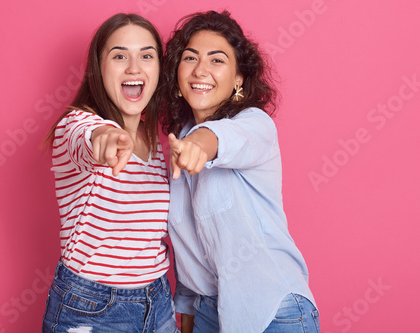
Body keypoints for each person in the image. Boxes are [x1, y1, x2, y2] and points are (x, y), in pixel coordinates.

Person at [161, 10, 319, 333]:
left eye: (217, 60)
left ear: (238, 80)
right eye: (190, 58)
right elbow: (190, 250)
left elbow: (222, 140)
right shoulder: (179, 143)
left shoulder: (255, 126)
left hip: (273, 311)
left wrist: (199, 147)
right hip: (207, 313)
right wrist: (187, 315)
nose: (201, 70)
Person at [42, 13, 178, 333]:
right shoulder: (76, 125)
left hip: (158, 299)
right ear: (97, 69)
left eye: (146, 55)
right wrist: (103, 140)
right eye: (119, 56)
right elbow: (88, 140)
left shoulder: (159, 140)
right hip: (92, 306)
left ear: (159, 68)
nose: (134, 67)